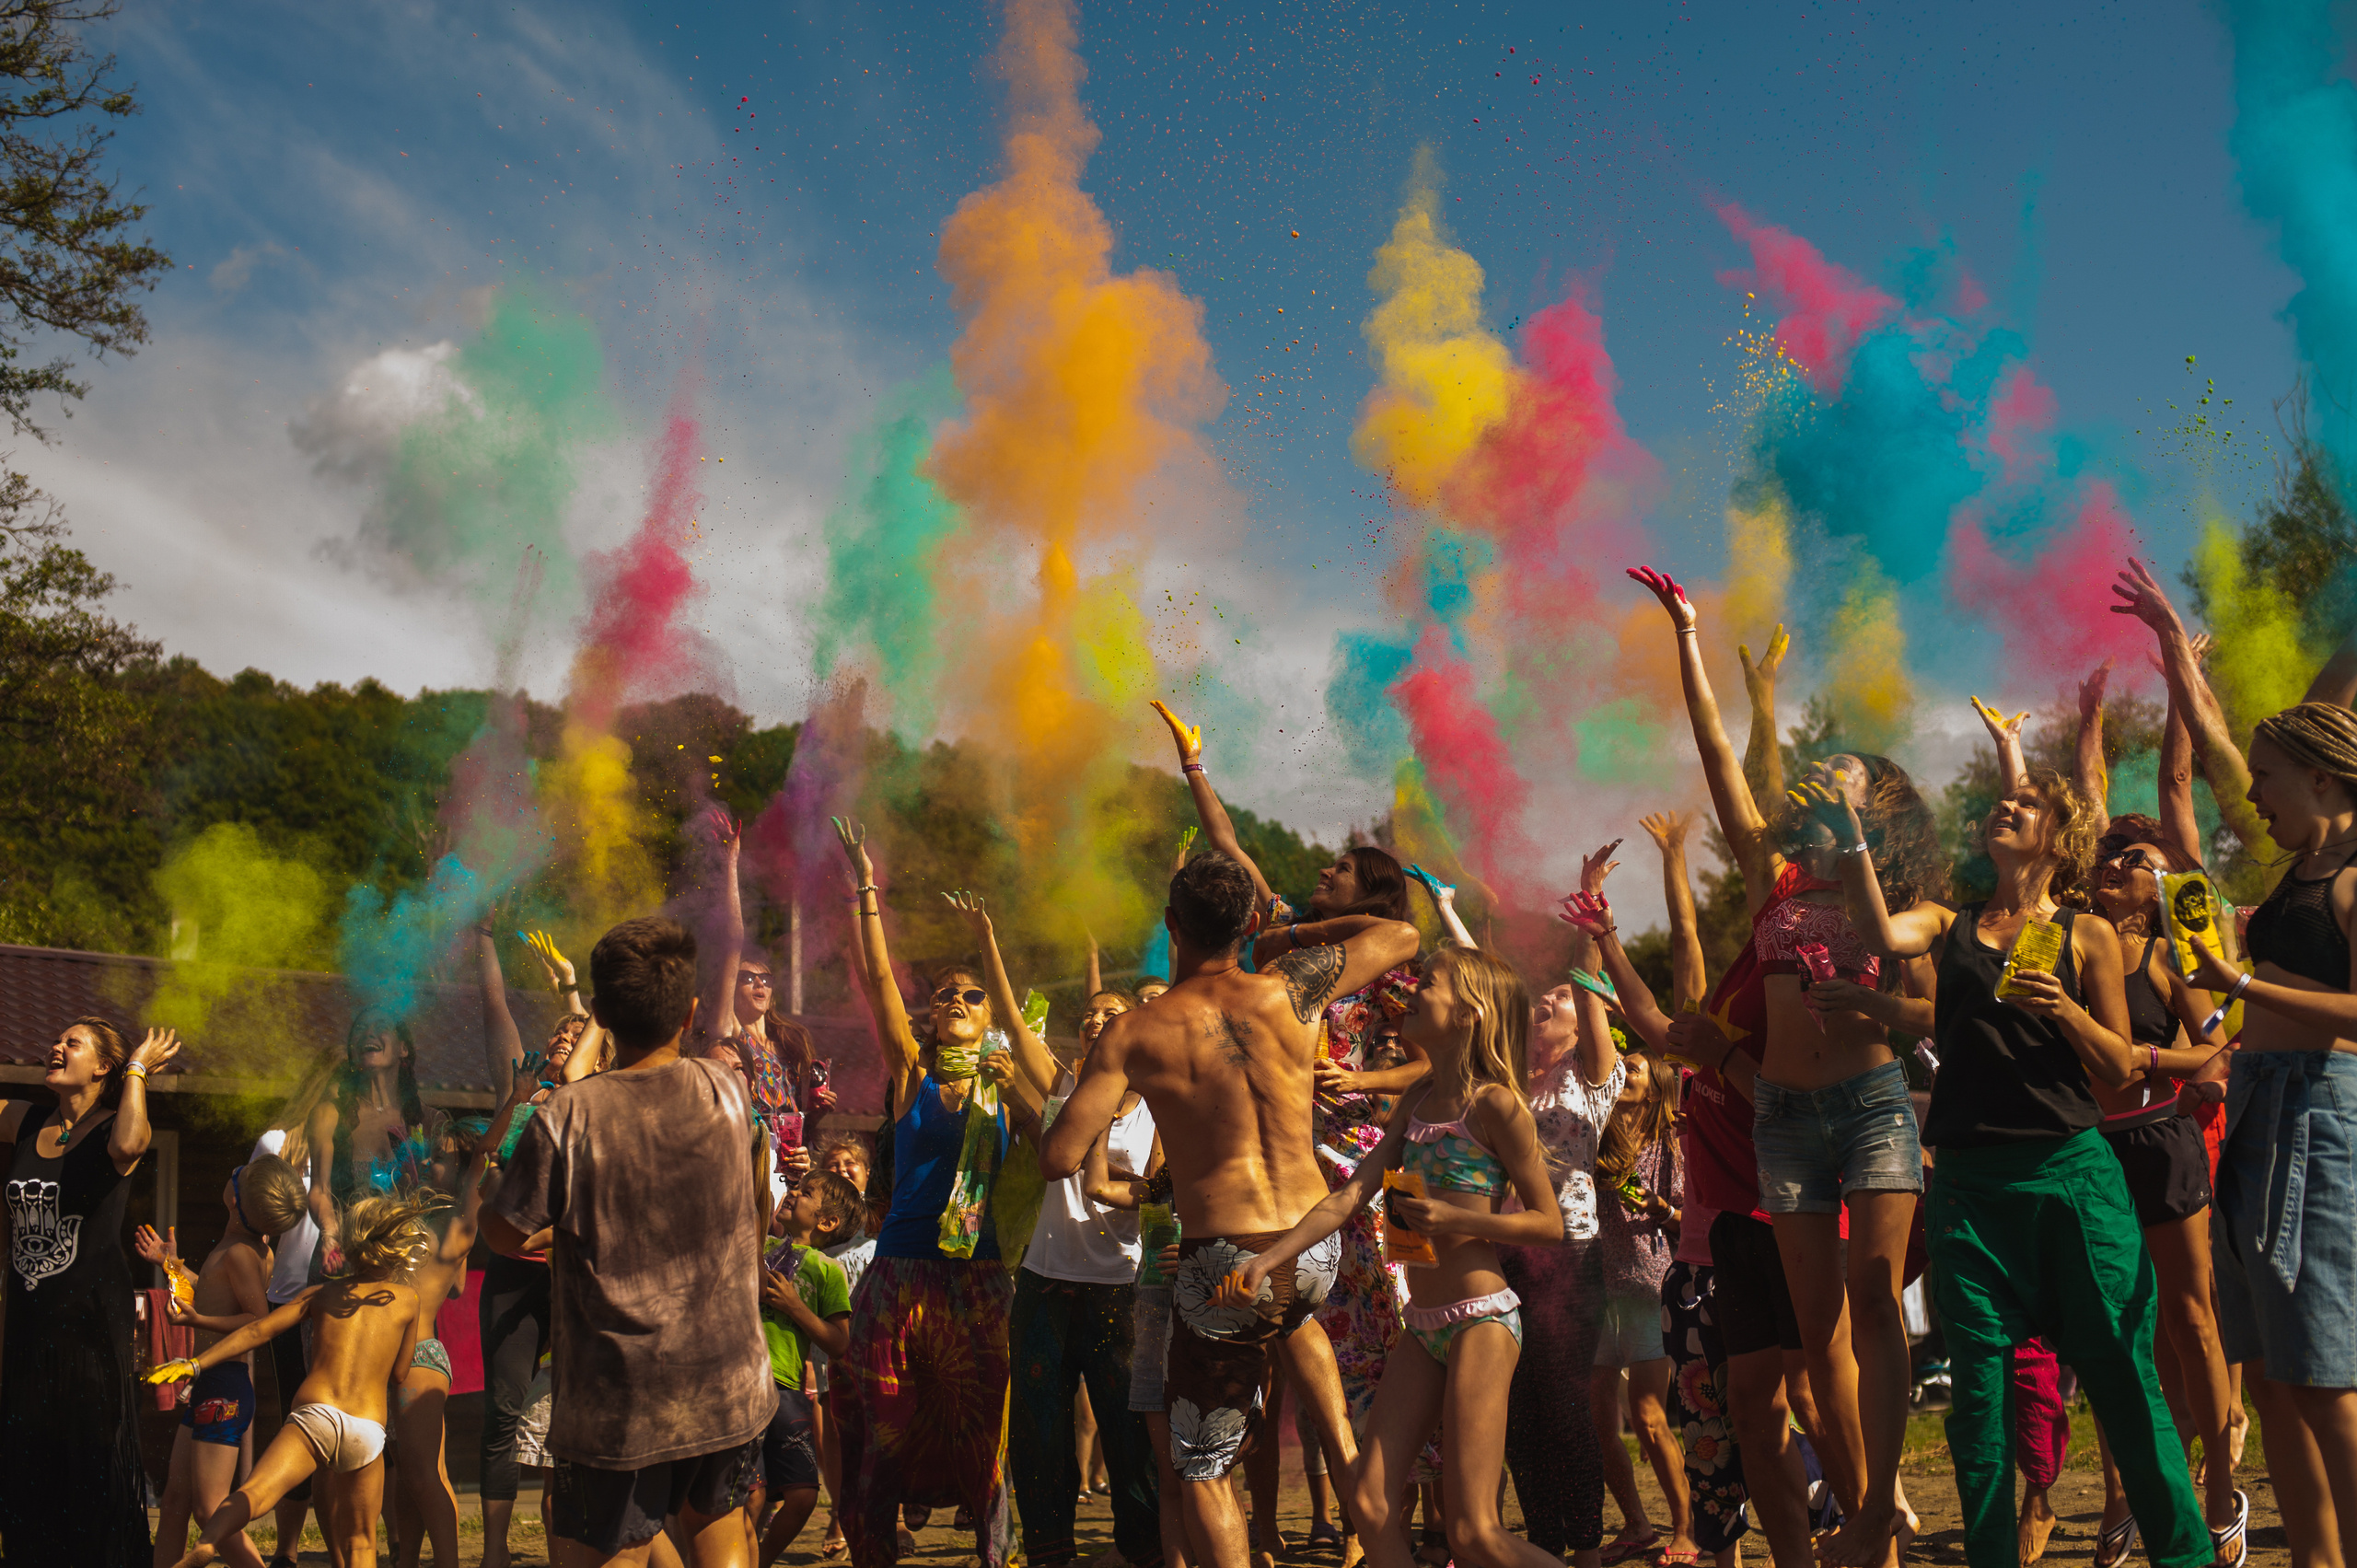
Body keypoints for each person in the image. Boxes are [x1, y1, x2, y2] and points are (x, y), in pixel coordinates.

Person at [1798, 752, 2214, 1568]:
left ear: (2061, 838)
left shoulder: (2086, 932)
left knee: (2124, 1382)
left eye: (2027, 803)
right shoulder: (1945, 923)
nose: (2007, 806)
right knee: (1977, 1406)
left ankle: (2187, 1555)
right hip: (1968, 1189)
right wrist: (1852, 838)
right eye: (2004, 798)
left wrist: (2062, 1009)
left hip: (2073, 1182)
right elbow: (1884, 932)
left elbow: (2120, 1066)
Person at [1041, 847, 1420, 1568]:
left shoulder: (1137, 1030)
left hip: (1228, 1263)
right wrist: (1291, 935)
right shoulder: (1292, 988)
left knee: (1205, 1465)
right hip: (1311, 1249)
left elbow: (1058, 1158)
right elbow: (1401, 935)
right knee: (1334, 1422)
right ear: (1249, 920)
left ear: (1171, 924)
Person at [1626, 568, 1864, 1568]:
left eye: (1840, 787)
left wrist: (1718, 1050)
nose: (1808, 797)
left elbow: (1815, 1092)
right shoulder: (1774, 902)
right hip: (1730, 1202)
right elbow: (1726, 764)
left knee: (1833, 1387)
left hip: (1803, 1194)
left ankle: (1870, 1536)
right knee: (1754, 1407)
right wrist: (1686, 634)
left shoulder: (1858, 929)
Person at [1214, 946, 1567, 1568]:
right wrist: (1268, 1258)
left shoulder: (1494, 1106)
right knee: (1373, 1505)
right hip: (1423, 1326)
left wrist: (1458, 1217)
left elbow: (1548, 1222)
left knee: (1474, 1533)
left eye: (1428, 983)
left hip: (1481, 1318)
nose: (1411, 992)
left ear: (1469, 1012)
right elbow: (1350, 1194)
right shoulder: (1418, 1099)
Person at [482, 915, 777, 1567]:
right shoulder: (729, 1090)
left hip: (617, 1394)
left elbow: (502, 1231)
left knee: (611, 1546)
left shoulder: (568, 1115)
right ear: (691, 1011)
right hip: (725, 1375)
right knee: (717, 1526)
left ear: (604, 1013)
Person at [2177, 702, 2357, 1568]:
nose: (2250, 793)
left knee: (2325, 1380)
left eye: (2267, 775)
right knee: (2278, 1381)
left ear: (2322, 777)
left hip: (2321, 1116)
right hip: (2259, 1111)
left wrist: (2241, 981)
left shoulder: (2355, 873)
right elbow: (2210, 767)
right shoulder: (2301, 864)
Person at [829, 819, 1027, 1568]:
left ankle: (990, 1555)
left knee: (985, 1444)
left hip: (977, 1279)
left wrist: (989, 947)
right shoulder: (912, 1073)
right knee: (885, 1436)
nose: (958, 999)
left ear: (989, 1015)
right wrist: (867, 882)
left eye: (972, 996)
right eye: (947, 992)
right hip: (901, 1273)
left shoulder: (1007, 1085)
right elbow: (880, 983)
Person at [148, 1193, 435, 1568]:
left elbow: (257, 1331)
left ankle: (209, 1540)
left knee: (255, 1494)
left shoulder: (321, 1294)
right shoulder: (408, 1300)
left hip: (316, 1415)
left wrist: (197, 1364)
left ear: (350, 1244)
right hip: (366, 1428)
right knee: (362, 1541)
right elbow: (399, 1375)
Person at [0, 1017, 180, 1564]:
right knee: (27, 1479)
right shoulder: (26, 1119)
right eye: (56, 1040)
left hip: (90, 1341)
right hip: (29, 1336)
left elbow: (131, 1141)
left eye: (71, 1044)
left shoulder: (112, 1130)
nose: (55, 1046)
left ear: (103, 1067)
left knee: (88, 1483)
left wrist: (137, 1070)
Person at [1493, 846, 1627, 1568]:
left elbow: (1587, 983)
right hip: (1503, 1249)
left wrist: (1587, 904)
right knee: (1515, 1403)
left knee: (1565, 1399)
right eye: (1538, 1001)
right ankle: (1540, 1536)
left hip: (1569, 1256)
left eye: (1557, 1004)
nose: (1545, 1004)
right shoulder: (1510, 1079)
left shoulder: (1593, 1078)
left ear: (1583, 1025)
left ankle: (1584, 1538)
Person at [1003, 981, 1164, 1568]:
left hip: (1120, 1292)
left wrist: (1113, 1184)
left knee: (1129, 1435)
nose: (1095, 1020)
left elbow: (1160, 1197)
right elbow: (1020, 1033)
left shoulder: (1157, 1105)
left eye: (1111, 1013)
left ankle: (1143, 1551)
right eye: (1089, 1013)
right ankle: (1050, 1553)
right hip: (1044, 1284)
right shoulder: (1065, 1089)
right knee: (1039, 1432)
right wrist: (986, 937)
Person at [141, 1156, 309, 1568]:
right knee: (176, 1500)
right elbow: (213, 1290)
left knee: (209, 1510)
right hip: (213, 1386)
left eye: (239, 1175)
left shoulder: (240, 1253)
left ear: (236, 1201)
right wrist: (172, 1266)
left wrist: (197, 1319)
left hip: (225, 1388)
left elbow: (256, 1320)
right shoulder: (241, 1250)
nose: (233, 1171)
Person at [474, 926, 581, 1568]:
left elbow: (600, 1026)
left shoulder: (596, 1097)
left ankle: (565, 1546)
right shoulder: (524, 1096)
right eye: (559, 1034)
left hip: (571, 1274)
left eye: (577, 1037)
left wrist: (570, 983)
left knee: (573, 1414)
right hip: (514, 1268)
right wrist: (483, 936)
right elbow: (487, 1160)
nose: (564, 1041)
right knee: (504, 1409)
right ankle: (492, 1553)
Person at [1591, 1051, 1693, 1568]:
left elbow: (1692, 1224)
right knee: (1598, 1420)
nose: (1621, 1071)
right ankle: (1637, 1524)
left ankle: (1686, 1530)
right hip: (1599, 1293)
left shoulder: (1670, 1146)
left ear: (1655, 1089)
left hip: (1650, 1289)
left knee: (1650, 1416)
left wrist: (1666, 1211)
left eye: (1632, 1067)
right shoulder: (1598, 1139)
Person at [248, 1054, 339, 1568]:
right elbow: (255, 1220)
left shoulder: (364, 1142)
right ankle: (285, 1550)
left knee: (344, 1421)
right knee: (298, 1421)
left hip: (344, 1301)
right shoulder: (276, 1143)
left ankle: (345, 1543)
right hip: (288, 1297)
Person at [756, 1171, 859, 1568]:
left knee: (802, 1496)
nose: (793, 1193)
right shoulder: (756, 1246)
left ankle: (758, 1560)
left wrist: (793, 1306)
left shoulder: (827, 1271)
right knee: (750, 1493)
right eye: (794, 1187)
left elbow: (838, 1342)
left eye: (806, 1192)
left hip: (786, 1390)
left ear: (827, 1222)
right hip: (744, 1383)